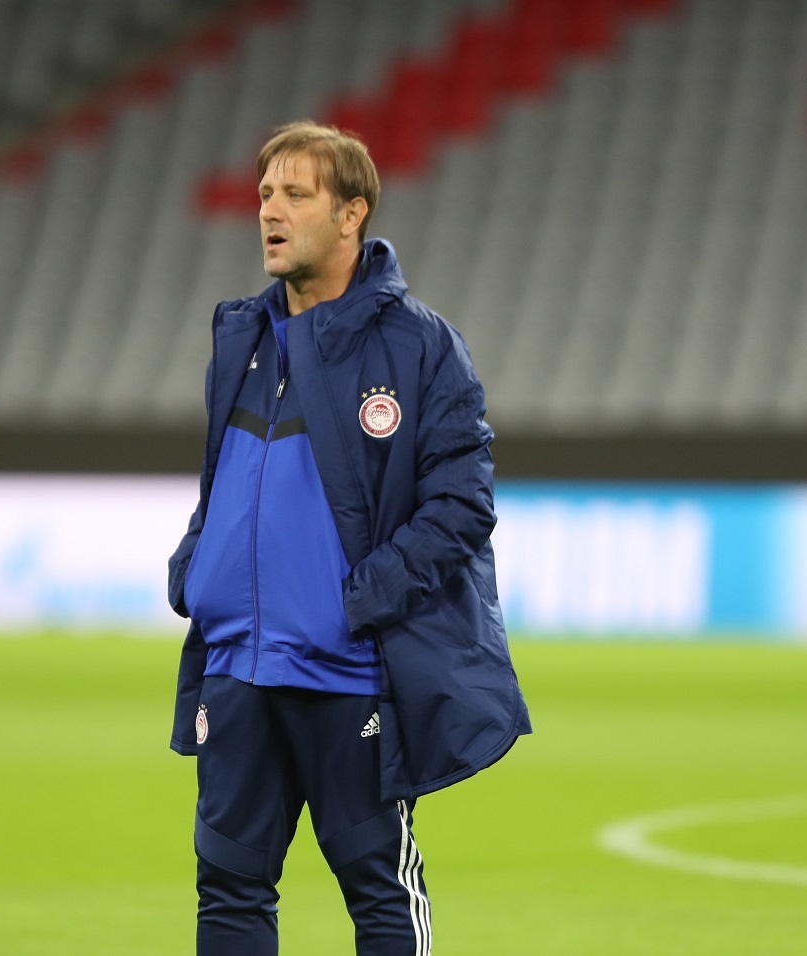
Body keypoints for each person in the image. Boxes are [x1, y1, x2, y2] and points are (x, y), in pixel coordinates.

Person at [166, 121, 532, 956]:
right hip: (238, 667)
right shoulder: (242, 338)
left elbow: (462, 504)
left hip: (346, 670)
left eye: (296, 195)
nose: (270, 211)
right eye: (265, 194)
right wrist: (198, 569)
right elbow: (226, 482)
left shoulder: (421, 346)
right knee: (228, 889)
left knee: (378, 890)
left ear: (351, 214)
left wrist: (356, 603)